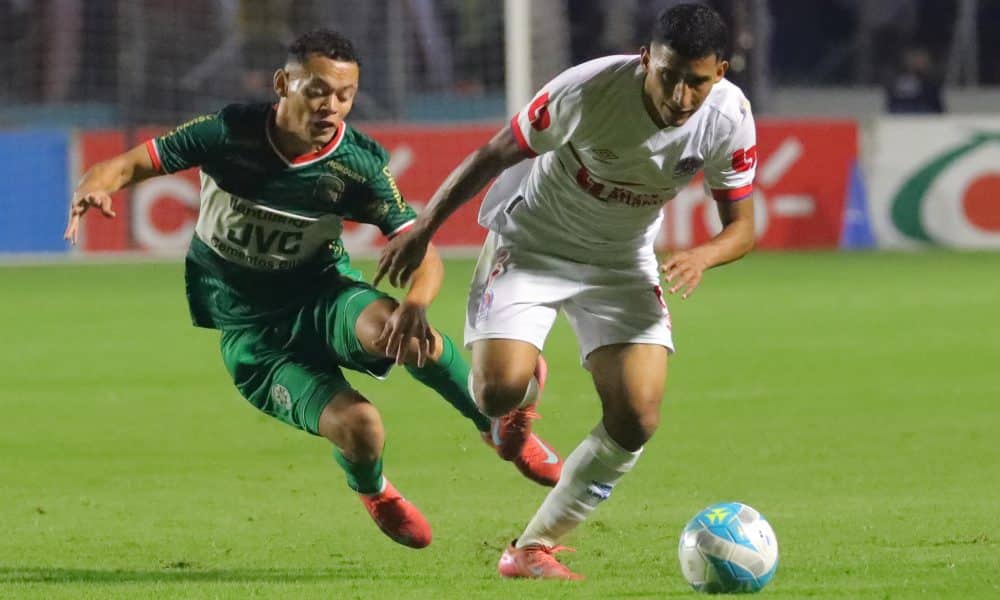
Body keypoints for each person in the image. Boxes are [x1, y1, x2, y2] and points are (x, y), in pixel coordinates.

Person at [63, 29, 563, 550]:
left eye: (345, 95)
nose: (332, 106)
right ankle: (375, 492)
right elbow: (127, 164)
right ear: (283, 83)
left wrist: (416, 303)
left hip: (324, 298)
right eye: (318, 90)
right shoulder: (228, 133)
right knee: (362, 427)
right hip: (255, 339)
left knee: (405, 333)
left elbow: (423, 250)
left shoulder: (358, 164)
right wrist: (94, 185)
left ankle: (497, 421)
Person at [376, 3, 756, 578]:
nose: (680, 96)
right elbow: (492, 154)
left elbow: (743, 227)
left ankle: (531, 548)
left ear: (720, 72)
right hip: (531, 244)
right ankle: (521, 399)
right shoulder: (588, 90)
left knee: (637, 418)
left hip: (622, 263)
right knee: (494, 394)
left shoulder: (729, 117)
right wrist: (424, 227)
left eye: (697, 82)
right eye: (669, 75)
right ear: (647, 58)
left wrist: (703, 254)